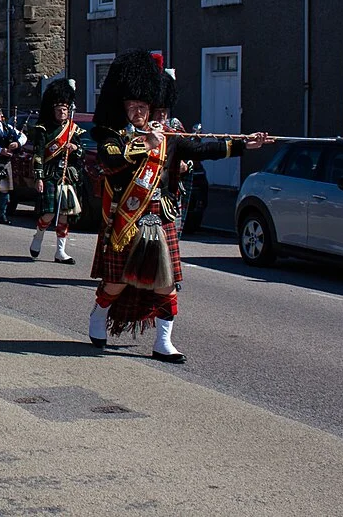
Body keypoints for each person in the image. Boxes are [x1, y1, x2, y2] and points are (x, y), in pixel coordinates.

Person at [88, 51, 271, 363]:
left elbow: (205, 148)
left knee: (166, 283)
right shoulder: (111, 136)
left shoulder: (169, 137)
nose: (136, 112)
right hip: (126, 217)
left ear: (152, 106)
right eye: (130, 106)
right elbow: (111, 160)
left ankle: (163, 342)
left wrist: (244, 144)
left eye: (141, 106)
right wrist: (145, 144)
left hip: (159, 217)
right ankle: (99, 314)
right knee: (117, 282)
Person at [29, 79, 83, 265]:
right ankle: (39, 235)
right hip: (50, 174)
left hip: (67, 175)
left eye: (65, 110)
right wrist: (39, 177)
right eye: (59, 110)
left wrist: (75, 147)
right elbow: (37, 155)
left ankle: (61, 251)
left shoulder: (73, 129)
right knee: (49, 213)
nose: (62, 113)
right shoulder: (43, 130)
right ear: (53, 111)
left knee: (64, 214)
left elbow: (82, 152)